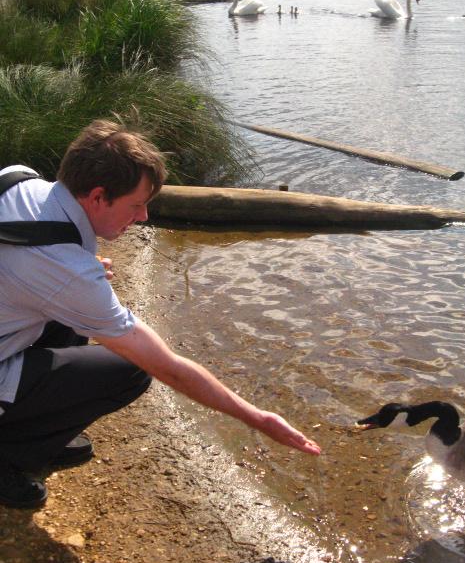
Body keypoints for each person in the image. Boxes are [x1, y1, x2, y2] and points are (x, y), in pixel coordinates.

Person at [0, 120, 320, 509]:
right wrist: (256, 417)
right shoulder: (67, 273)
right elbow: (167, 366)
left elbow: (28, 266)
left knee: (75, 315)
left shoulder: (18, 181)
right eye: (136, 205)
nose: (144, 217)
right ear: (99, 197)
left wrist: (69, 272)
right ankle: (10, 459)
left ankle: (32, 426)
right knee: (131, 369)